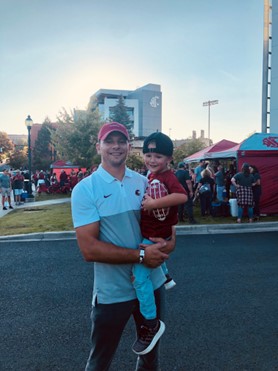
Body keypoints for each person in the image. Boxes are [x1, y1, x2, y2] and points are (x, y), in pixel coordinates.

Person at [71, 122, 176, 371]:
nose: (116, 146)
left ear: (129, 146)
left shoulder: (146, 182)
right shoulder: (85, 189)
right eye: (109, 141)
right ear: (99, 146)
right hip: (112, 292)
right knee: (99, 362)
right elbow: (89, 250)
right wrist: (142, 255)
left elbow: (169, 229)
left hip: (151, 284)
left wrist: (168, 244)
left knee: (150, 358)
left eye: (122, 141)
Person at [131, 132, 187, 355]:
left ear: (169, 159)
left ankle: (151, 322)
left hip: (155, 233)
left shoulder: (168, 177)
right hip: (155, 232)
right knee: (153, 248)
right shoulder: (152, 176)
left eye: (159, 156)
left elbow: (181, 196)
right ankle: (166, 276)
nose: (152, 160)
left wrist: (155, 204)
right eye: (148, 154)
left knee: (139, 276)